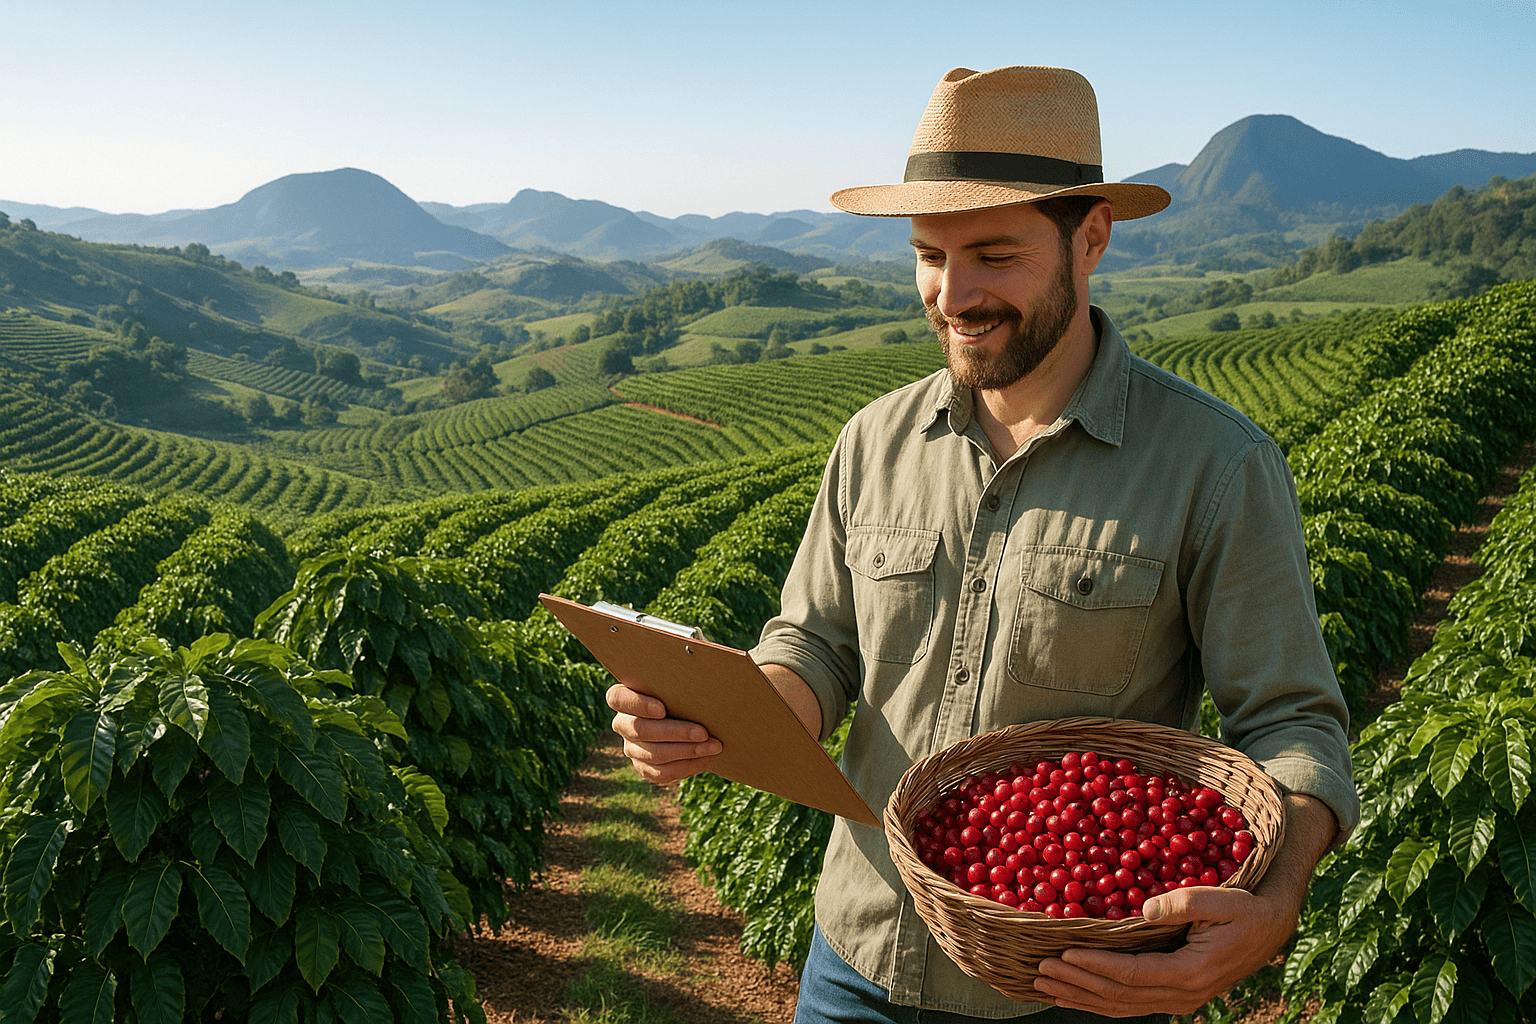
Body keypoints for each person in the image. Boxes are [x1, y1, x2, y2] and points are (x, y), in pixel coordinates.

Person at [608, 65, 1358, 1022]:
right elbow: (818, 645)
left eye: (994, 255)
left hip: (1076, 979)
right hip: (859, 954)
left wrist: (1275, 898)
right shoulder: (874, 440)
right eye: (929, 255)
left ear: (1091, 240)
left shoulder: (1214, 465)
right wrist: (724, 716)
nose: (953, 295)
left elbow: (1294, 723)